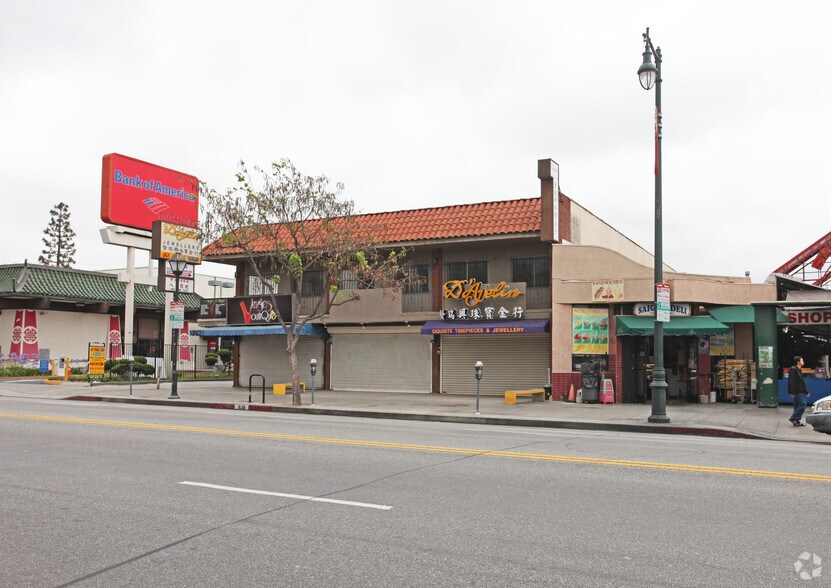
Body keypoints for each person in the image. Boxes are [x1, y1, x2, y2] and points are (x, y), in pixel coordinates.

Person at [788, 356, 809, 426]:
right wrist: (792, 392)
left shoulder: (799, 370)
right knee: (803, 404)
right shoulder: (793, 370)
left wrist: (806, 392)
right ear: (798, 362)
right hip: (797, 391)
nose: (803, 362)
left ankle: (796, 421)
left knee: (797, 406)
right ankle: (793, 418)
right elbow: (791, 382)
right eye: (802, 360)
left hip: (801, 391)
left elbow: (802, 382)